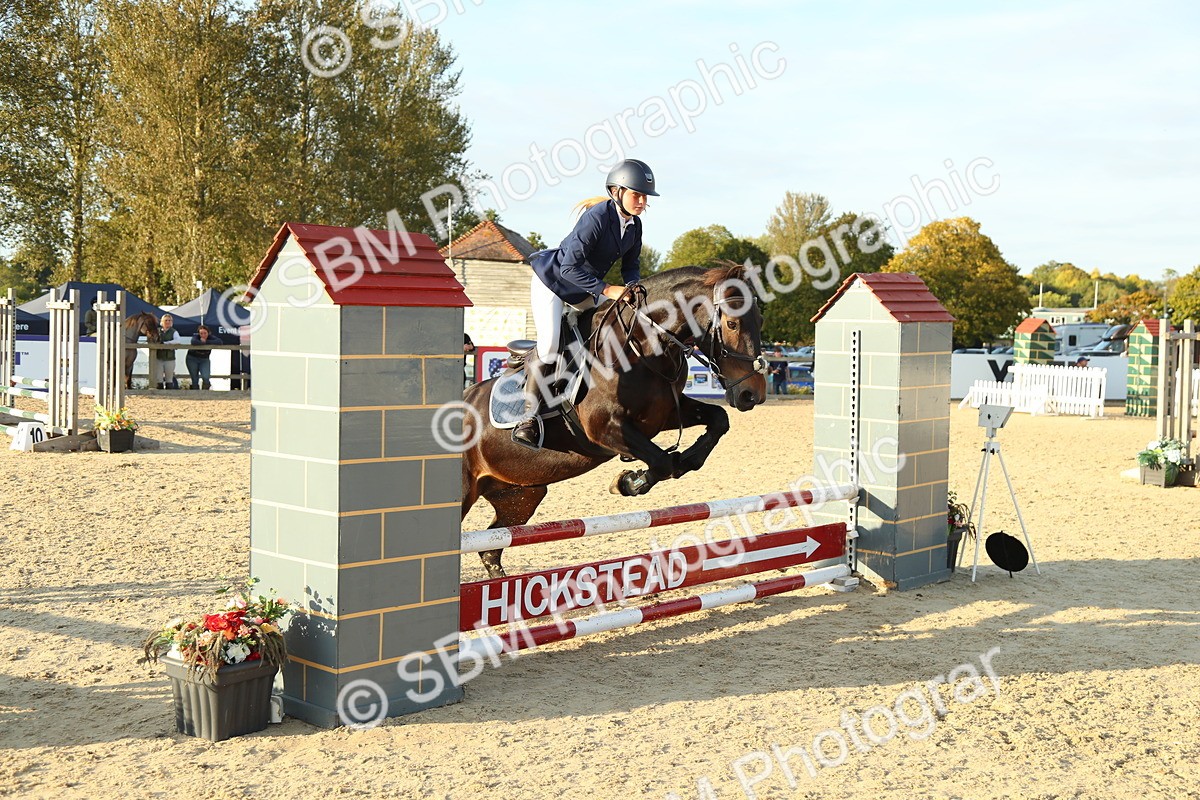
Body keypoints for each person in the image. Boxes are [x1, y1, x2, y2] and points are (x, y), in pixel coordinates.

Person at [511, 158, 658, 448]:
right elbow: (567, 269)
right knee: (552, 344)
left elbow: (631, 266)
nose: (642, 202)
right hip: (553, 282)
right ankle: (527, 418)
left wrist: (632, 286)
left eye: (645, 197)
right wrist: (607, 289)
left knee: (608, 329)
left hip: (584, 289)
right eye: (636, 195)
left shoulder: (634, 225)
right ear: (617, 192)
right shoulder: (597, 218)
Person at [186, 325, 222, 390]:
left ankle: (205, 391)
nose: (203, 335)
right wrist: (205, 343)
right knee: (194, 378)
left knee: (206, 376)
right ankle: (195, 394)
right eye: (201, 333)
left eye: (205, 333)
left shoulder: (211, 337)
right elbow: (194, 342)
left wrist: (206, 342)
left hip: (204, 359)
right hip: (192, 358)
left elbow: (219, 342)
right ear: (198, 333)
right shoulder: (196, 337)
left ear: (208, 333)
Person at [153, 314, 178, 389]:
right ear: (162, 322)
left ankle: (169, 393)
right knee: (159, 378)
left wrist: (166, 344)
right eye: (166, 320)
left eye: (169, 320)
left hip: (169, 358)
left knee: (169, 378)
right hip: (159, 357)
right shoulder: (157, 331)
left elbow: (177, 341)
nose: (168, 322)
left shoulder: (174, 332)